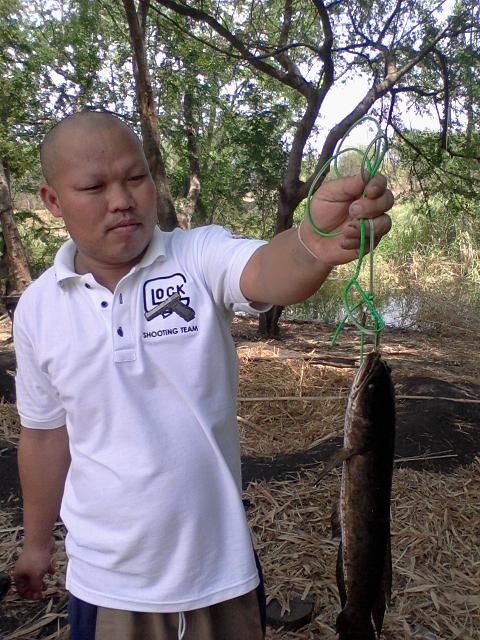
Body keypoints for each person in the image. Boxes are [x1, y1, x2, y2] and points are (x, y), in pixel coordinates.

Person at [12, 110, 393, 640]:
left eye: (136, 177)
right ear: (53, 201)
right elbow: (45, 434)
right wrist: (36, 544)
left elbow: (267, 268)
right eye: (94, 186)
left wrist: (311, 242)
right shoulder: (36, 308)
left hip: (220, 573)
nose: (121, 199)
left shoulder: (194, 256)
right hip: (108, 583)